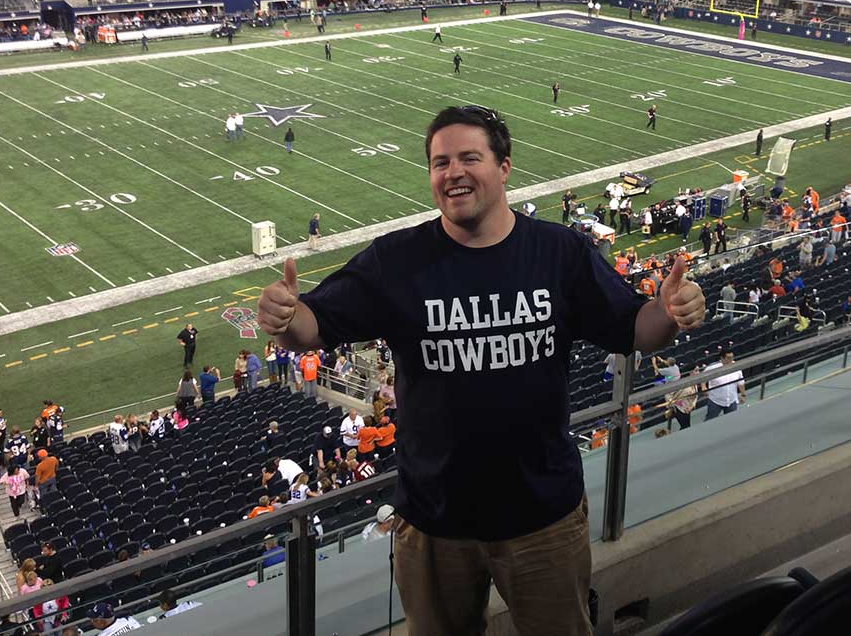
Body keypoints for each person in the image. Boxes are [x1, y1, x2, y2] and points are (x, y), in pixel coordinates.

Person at [257, 104, 705, 636]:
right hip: (434, 520)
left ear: (505, 167)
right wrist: (284, 318)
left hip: (542, 515)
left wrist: (671, 312)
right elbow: (315, 324)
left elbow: (635, 329)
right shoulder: (396, 259)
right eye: (440, 162)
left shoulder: (557, 251)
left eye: (470, 157)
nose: (453, 173)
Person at [701, 349, 745, 420]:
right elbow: (702, 377)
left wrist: (743, 395)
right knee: (710, 420)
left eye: (732, 357)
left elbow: (741, 382)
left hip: (731, 400)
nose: (731, 360)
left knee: (731, 420)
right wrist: (703, 386)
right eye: (728, 358)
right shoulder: (713, 367)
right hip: (715, 400)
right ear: (722, 358)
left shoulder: (736, 366)